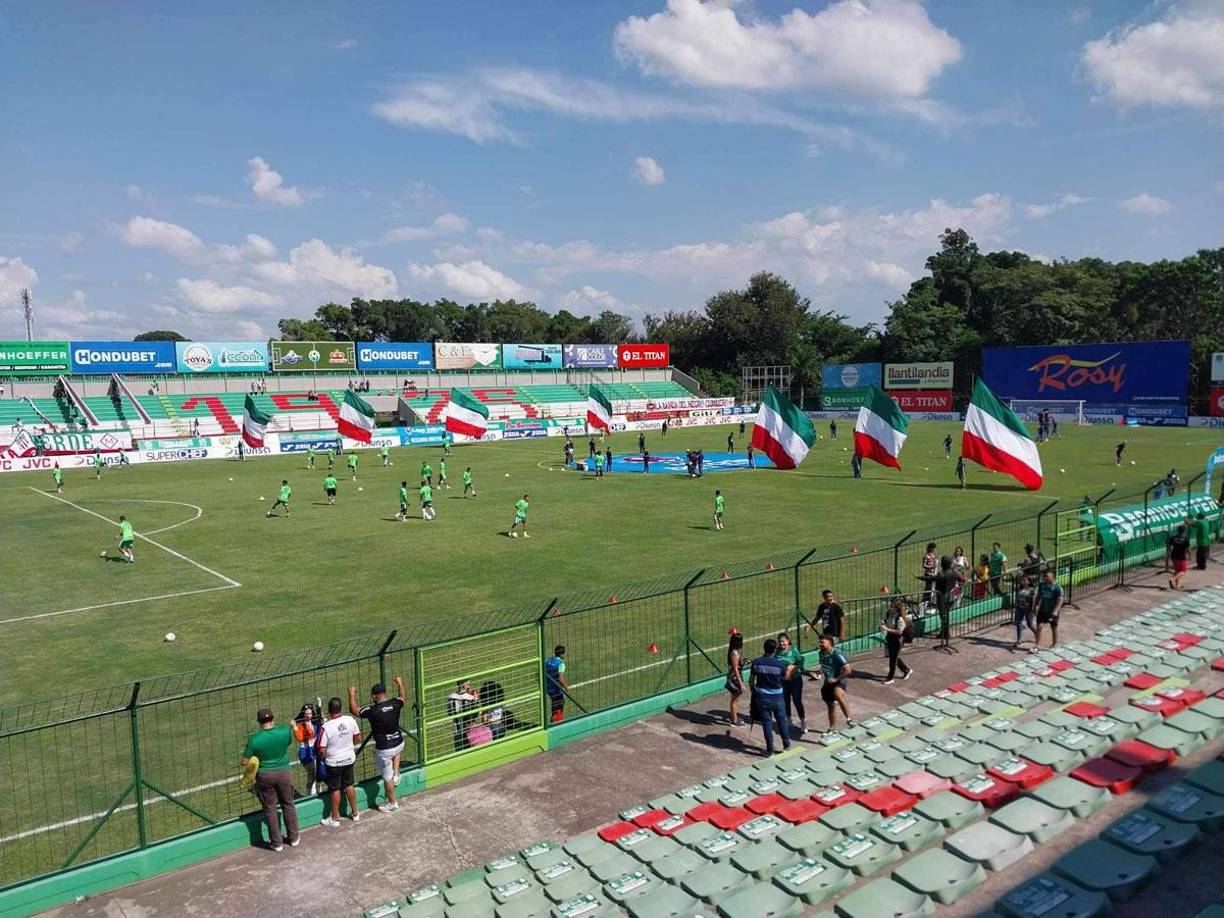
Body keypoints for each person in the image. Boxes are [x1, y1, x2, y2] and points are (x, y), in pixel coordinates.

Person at [240, 708, 299, 851]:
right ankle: (294, 838)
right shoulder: (285, 732)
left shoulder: (254, 739)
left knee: (270, 808)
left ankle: (277, 843)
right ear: (273, 719)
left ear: (259, 722)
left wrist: (256, 759)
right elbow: (288, 743)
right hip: (284, 772)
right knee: (288, 804)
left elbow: (244, 762)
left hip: (265, 775)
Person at [349, 677, 406, 813]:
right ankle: (397, 773)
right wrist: (400, 683)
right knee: (396, 752)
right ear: (385, 692)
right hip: (399, 742)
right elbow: (403, 697)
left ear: (374, 696)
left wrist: (351, 694)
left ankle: (392, 803)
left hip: (385, 749)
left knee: (387, 778)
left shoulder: (372, 711)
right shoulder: (395, 703)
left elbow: (354, 710)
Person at [318, 697, 362, 827]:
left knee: (335, 789)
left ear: (329, 710)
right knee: (349, 785)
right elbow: (358, 738)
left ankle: (335, 818)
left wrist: (324, 757)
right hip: (349, 759)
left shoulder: (326, 727)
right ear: (340, 707)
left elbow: (321, 749)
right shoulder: (350, 720)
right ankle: (355, 813)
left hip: (334, 762)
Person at [749, 638, 794, 756]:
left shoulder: (757, 662)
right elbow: (786, 678)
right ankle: (787, 744)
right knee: (781, 721)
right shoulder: (780, 664)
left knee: (767, 724)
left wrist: (754, 691)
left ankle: (770, 750)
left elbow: (751, 681)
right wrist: (790, 669)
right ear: (775, 650)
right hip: (778, 697)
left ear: (764, 648)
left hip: (762, 697)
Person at [816, 634, 853, 734]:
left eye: (822, 642)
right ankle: (832, 727)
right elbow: (824, 666)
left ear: (830, 643)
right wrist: (820, 672)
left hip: (839, 679)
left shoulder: (837, 653)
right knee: (830, 705)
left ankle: (849, 719)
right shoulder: (821, 653)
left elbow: (848, 670)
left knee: (838, 694)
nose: (820, 644)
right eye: (819, 642)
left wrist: (836, 679)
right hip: (828, 682)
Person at [776, 632, 805, 734]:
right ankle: (789, 720)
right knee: (785, 700)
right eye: (779, 642)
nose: (781, 644)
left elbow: (801, 661)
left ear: (788, 641)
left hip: (795, 680)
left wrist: (791, 670)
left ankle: (802, 722)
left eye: (783, 641)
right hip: (783, 681)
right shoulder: (776, 653)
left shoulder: (793, 650)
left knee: (797, 700)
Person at [880, 598, 912, 684]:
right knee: (893, 657)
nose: (890, 607)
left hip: (897, 640)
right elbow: (886, 621)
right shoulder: (889, 614)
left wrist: (886, 629)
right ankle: (906, 670)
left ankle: (890, 678)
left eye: (892, 606)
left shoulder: (900, 618)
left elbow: (899, 632)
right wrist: (883, 622)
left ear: (897, 608)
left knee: (893, 659)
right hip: (889, 637)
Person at [293, 700, 322, 795]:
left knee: (318, 773)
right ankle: (309, 794)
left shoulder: (316, 723)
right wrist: (295, 728)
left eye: (310, 713)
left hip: (315, 751)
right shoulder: (300, 725)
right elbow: (299, 738)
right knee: (312, 774)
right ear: (303, 714)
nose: (308, 715)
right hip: (305, 752)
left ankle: (318, 792)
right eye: (306, 714)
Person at [934, 555, 963, 649]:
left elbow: (931, 580)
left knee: (943, 615)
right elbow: (962, 579)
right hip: (951, 597)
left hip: (942, 597)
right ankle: (944, 632)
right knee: (946, 615)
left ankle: (945, 634)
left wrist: (918, 577)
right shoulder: (954, 573)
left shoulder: (941, 574)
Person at [1035, 568, 1063, 648]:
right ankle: (1037, 645)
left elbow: (1060, 600)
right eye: (1045, 576)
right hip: (1042, 610)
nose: (1045, 578)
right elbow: (1038, 596)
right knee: (1039, 627)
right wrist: (1036, 605)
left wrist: (1055, 611)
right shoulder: (1042, 585)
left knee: (1053, 627)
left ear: (1053, 577)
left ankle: (1054, 643)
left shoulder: (1057, 588)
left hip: (1051, 611)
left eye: (1047, 576)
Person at [447, 680, 480, 751]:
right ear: (463, 684)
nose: (469, 684)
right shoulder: (470, 697)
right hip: (469, 729)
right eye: (468, 683)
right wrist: (476, 701)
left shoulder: (450, 697)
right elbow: (475, 714)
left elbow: (449, 713)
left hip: (457, 729)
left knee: (458, 750)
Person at [1012, 574, 1037, 649]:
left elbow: (1033, 599)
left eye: (1024, 580)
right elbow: (1018, 597)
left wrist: (1032, 608)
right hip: (1019, 608)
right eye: (1022, 580)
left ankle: (1037, 634)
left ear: (1029, 582)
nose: (1023, 582)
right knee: (1018, 623)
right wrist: (1015, 604)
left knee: (1030, 624)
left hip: (1028, 609)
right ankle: (1019, 639)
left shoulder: (1032, 589)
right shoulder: (1020, 588)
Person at [725, 631, 745, 727]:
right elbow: (735, 669)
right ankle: (734, 720)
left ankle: (734, 716)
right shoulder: (734, 653)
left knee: (736, 699)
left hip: (736, 677)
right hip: (736, 679)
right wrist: (741, 684)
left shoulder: (735, 652)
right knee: (734, 699)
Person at [544, 646, 569, 723]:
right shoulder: (561, 664)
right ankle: (556, 722)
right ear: (562, 654)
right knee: (558, 707)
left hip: (548, 688)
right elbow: (560, 678)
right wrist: (566, 687)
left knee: (556, 704)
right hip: (556, 689)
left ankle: (557, 720)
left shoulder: (548, 660)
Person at [1166, 523, 1191, 590]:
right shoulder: (1185, 538)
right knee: (1183, 571)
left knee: (1177, 570)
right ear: (1184, 531)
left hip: (1174, 555)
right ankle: (1172, 579)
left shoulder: (1173, 538)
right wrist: (1190, 555)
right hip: (1181, 556)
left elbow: (1170, 547)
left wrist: (1169, 554)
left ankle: (1177, 586)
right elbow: (1187, 549)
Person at [921, 543, 938, 608]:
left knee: (933, 588)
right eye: (933, 548)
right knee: (928, 588)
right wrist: (931, 567)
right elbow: (924, 565)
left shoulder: (933, 555)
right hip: (928, 574)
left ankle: (930, 602)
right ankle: (924, 602)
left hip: (934, 573)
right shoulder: (926, 556)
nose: (934, 549)